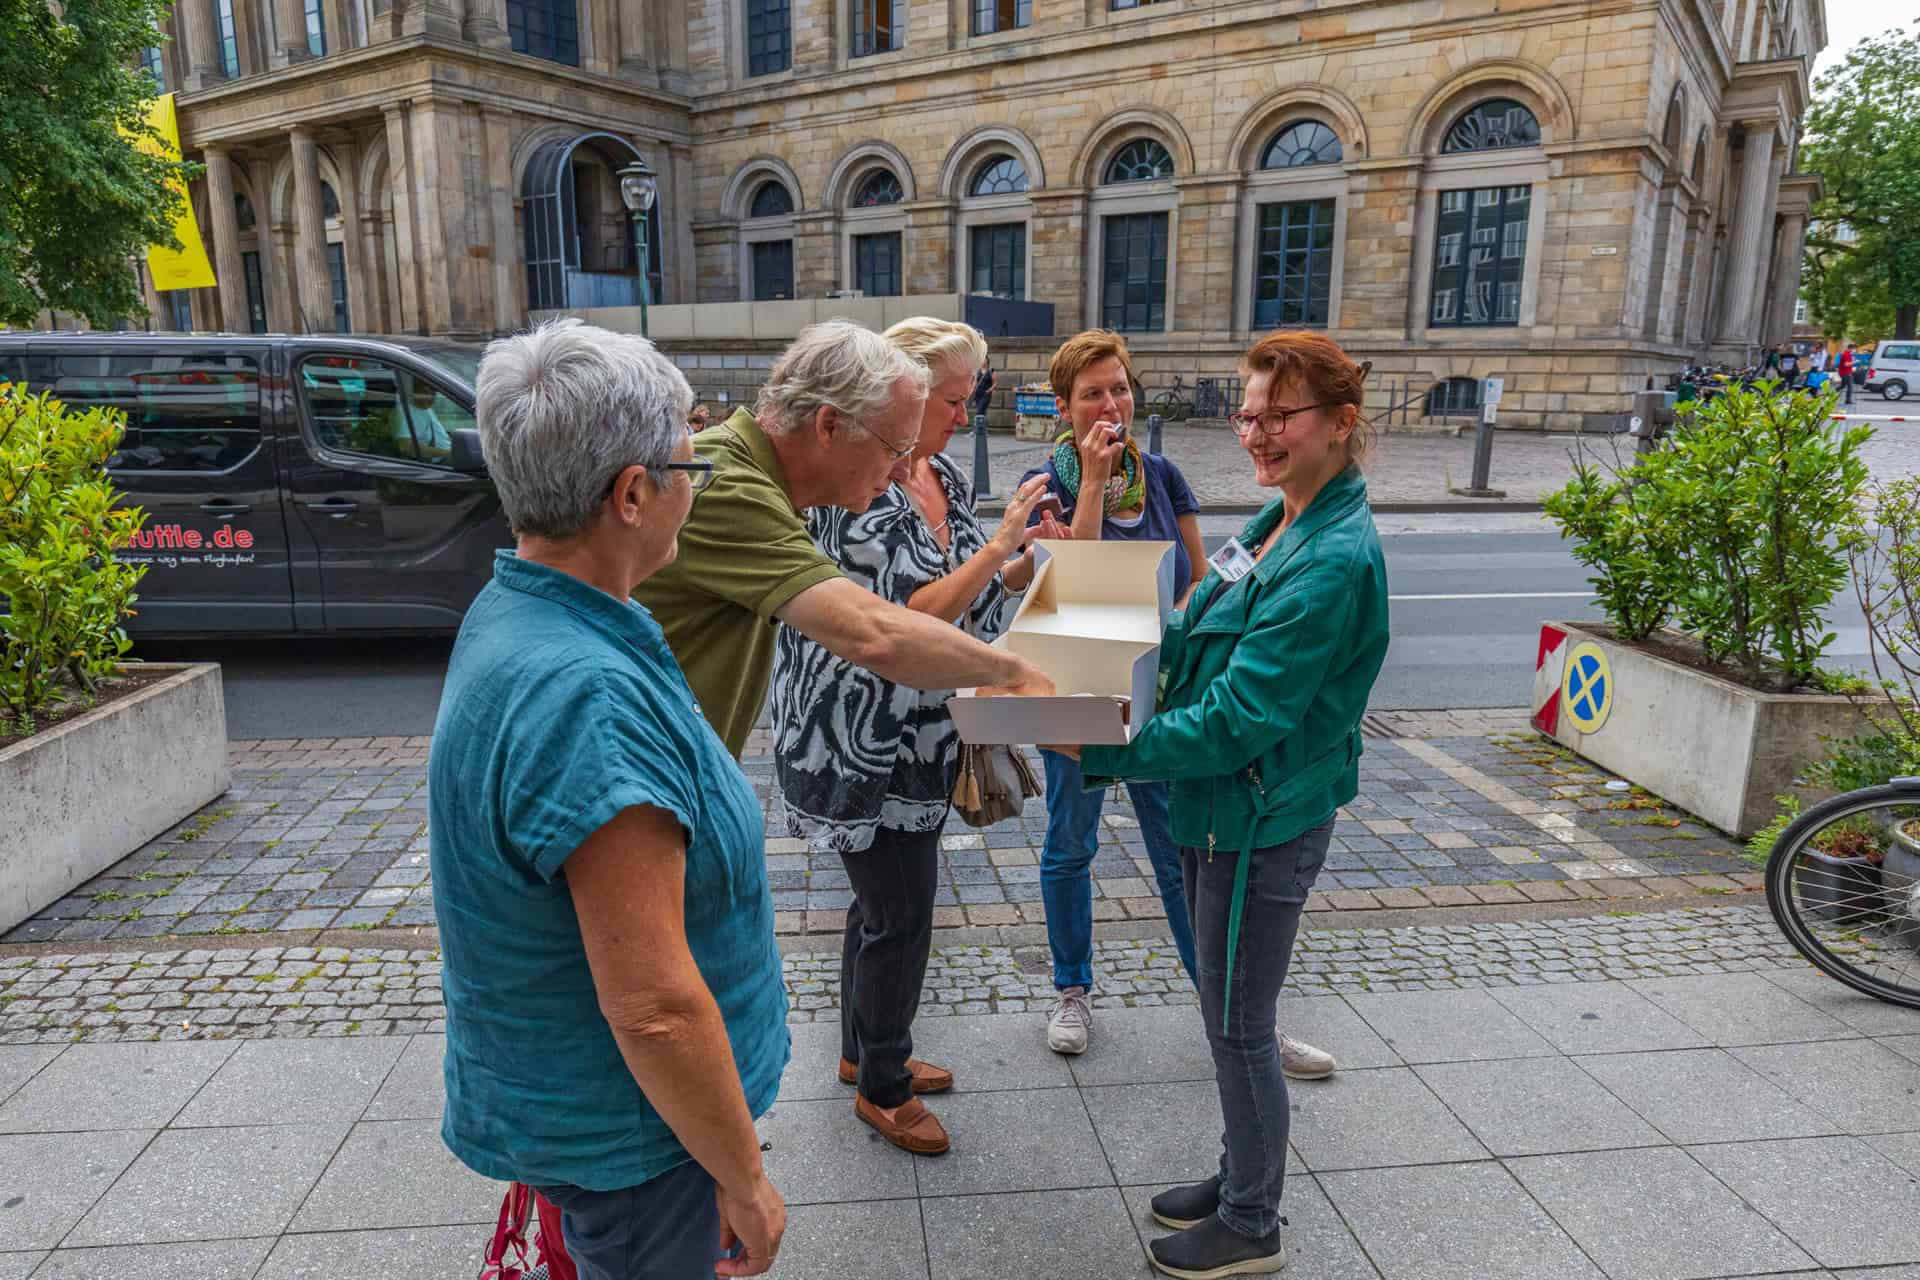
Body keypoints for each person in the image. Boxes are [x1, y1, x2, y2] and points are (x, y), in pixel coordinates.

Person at [430, 320, 788, 1280]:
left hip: (609, 1116)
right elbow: (656, 1008)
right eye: (688, 467)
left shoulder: (535, 606)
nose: (691, 489)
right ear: (634, 493)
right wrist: (744, 1176)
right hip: (638, 1141)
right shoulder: (583, 692)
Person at [1057, 330, 1391, 1280]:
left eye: (1279, 416)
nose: (1256, 433)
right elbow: (1198, 623)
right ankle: (1238, 1168)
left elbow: (1244, 716)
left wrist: (1101, 742)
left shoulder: (1328, 556)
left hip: (1261, 813)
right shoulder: (1277, 519)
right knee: (1225, 1009)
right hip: (1225, 804)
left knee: (1241, 1021)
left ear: (1340, 423)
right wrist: (1100, 639)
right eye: (1249, 415)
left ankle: (1252, 1222)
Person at [770, 318, 1064, 1156]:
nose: (960, 418)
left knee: (881, 906)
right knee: (900, 912)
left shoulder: (934, 473)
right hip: (858, 738)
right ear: (898, 398)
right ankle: (886, 1087)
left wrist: (1015, 560)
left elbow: (966, 591)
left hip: (926, 732)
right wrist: (999, 546)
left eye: (971, 401)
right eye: (950, 402)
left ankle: (862, 1054)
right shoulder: (864, 486)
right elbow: (907, 620)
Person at [1017, 331, 1335, 1084]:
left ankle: (1231, 1016)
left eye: (1120, 388)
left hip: (1167, 698)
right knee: (1071, 845)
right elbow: (1076, 589)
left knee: (1181, 854)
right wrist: (1091, 484)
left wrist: (1180, 633)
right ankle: (1072, 990)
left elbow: (1204, 577)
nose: (1112, 404)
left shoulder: (1162, 475)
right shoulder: (1047, 482)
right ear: (1064, 407)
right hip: (1081, 692)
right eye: (1093, 392)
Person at [634, 319, 1054, 761]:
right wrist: (1016, 672)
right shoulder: (731, 487)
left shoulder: (749, 473)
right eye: (894, 449)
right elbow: (875, 634)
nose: (902, 472)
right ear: (829, 425)